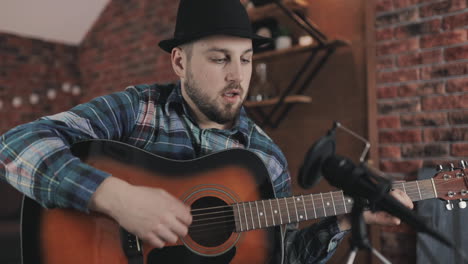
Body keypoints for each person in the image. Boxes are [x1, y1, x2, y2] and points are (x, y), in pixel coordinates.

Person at [0, 0, 413, 263]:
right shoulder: (139, 109)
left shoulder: (265, 159)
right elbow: (15, 146)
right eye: (219, 59)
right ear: (179, 62)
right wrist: (117, 198)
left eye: (246, 59)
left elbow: (283, 256)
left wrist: (342, 220)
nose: (238, 76)